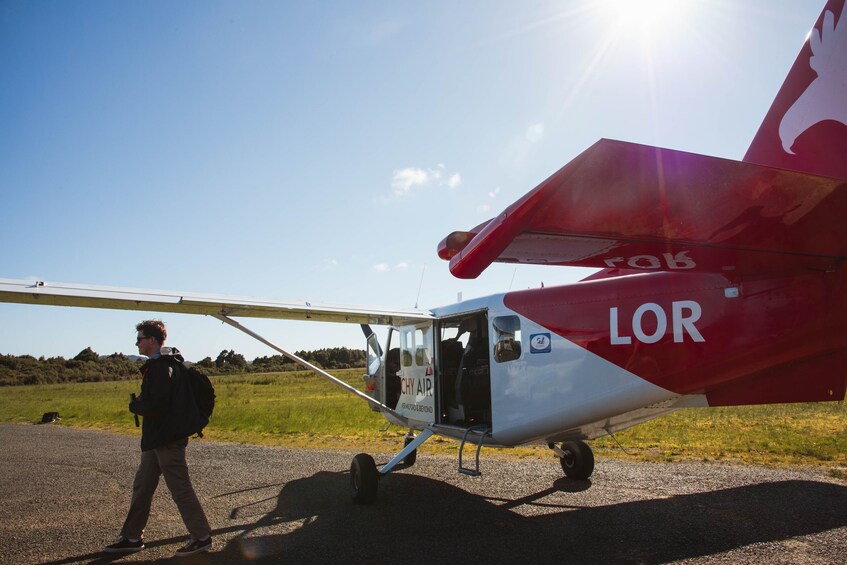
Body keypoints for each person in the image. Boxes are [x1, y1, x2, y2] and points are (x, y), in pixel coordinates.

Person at [104, 320, 213, 557]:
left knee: (180, 488)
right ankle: (132, 537)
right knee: (142, 486)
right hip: (155, 439)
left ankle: (201, 536)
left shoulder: (162, 368)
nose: (137, 343)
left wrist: (136, 406)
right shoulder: (163, 365)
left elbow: (158, 404)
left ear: (152, 340)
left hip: (167, 439)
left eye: (140, 339)